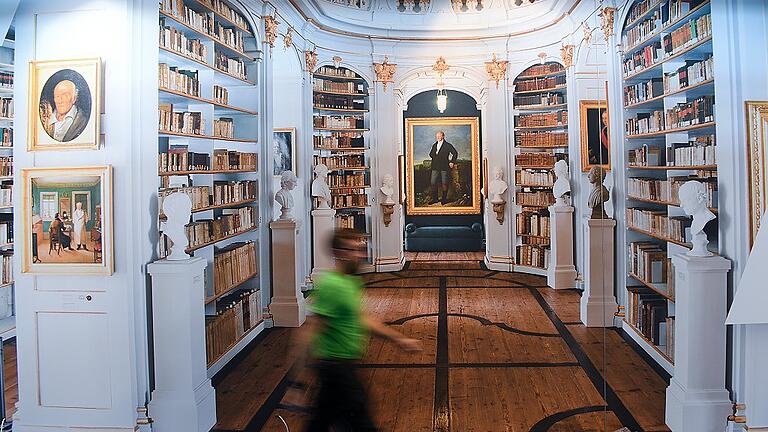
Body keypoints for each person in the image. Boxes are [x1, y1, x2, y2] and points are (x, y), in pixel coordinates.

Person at [301, 229, 421, 431]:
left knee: (320, 421)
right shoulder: (332, 285)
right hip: (335, 366)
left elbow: (360, 319)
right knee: (361, 420)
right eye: (352, 250)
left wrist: (399, 339)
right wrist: (299, 378)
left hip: (342, 364)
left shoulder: (351, 282)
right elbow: (311, 330)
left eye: (361, 249)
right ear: (337, 252)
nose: (360, 255)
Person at [428, 131, 458, 205]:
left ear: (443, 136)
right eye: (437, 136)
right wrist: (436, 157)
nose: (437, 137)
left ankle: (444, 199)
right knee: (433, 182)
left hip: (444, 166)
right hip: (435, 166)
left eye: (439, 136)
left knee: (444, 183)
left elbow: (455, 153)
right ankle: (435, 199)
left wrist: (452, 162)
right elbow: (430, 154)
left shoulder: (448, 145)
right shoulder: (434, 145)